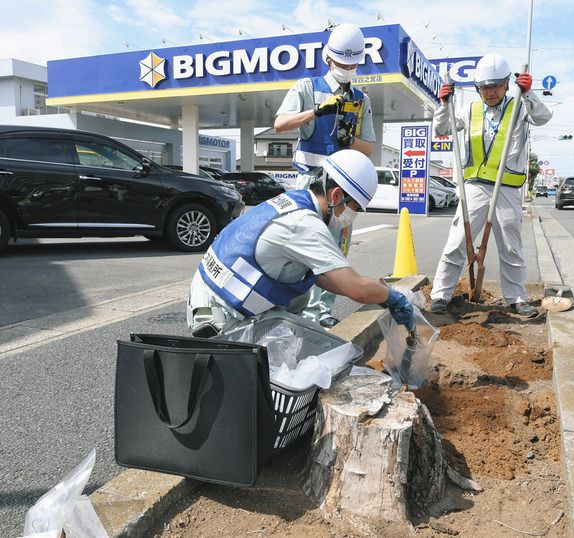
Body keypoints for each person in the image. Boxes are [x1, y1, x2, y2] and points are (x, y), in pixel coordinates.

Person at [187, 149, 413, 336]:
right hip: (222, 319)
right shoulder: (304, 224)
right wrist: (391, 297)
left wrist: (380, 294)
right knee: (324, 354)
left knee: (303, 311)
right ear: (336, 196)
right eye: (355, 207)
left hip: (211, 300)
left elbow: (325, 277)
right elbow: (356, 288)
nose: (353, 215)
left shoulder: (293, 203)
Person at [430, 53, 552, 317]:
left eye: (496, 85)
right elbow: (441, 129)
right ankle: (440, 295)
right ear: (478, 88)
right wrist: (444, 103)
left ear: (507, 84)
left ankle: (516, 298)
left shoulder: (519, 105)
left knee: (511, 246)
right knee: (458, 241)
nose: (491, 91)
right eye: (485, 86)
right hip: (474, 188)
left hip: (507, 188)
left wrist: (529, 93)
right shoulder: (468, 109)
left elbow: (543, 117)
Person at [273, 23, 376, 329]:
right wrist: (316, 112)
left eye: (353, 64)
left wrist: (349, 140)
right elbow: (280, 124)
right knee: (299, 246)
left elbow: (367, 147)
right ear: (329, 59)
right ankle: (294, 308)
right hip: (309, 182)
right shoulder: (307, 87)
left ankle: (322, 313)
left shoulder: (361, 100)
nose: (347, 69)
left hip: (342, 188)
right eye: (342, 63)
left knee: (335, 249)